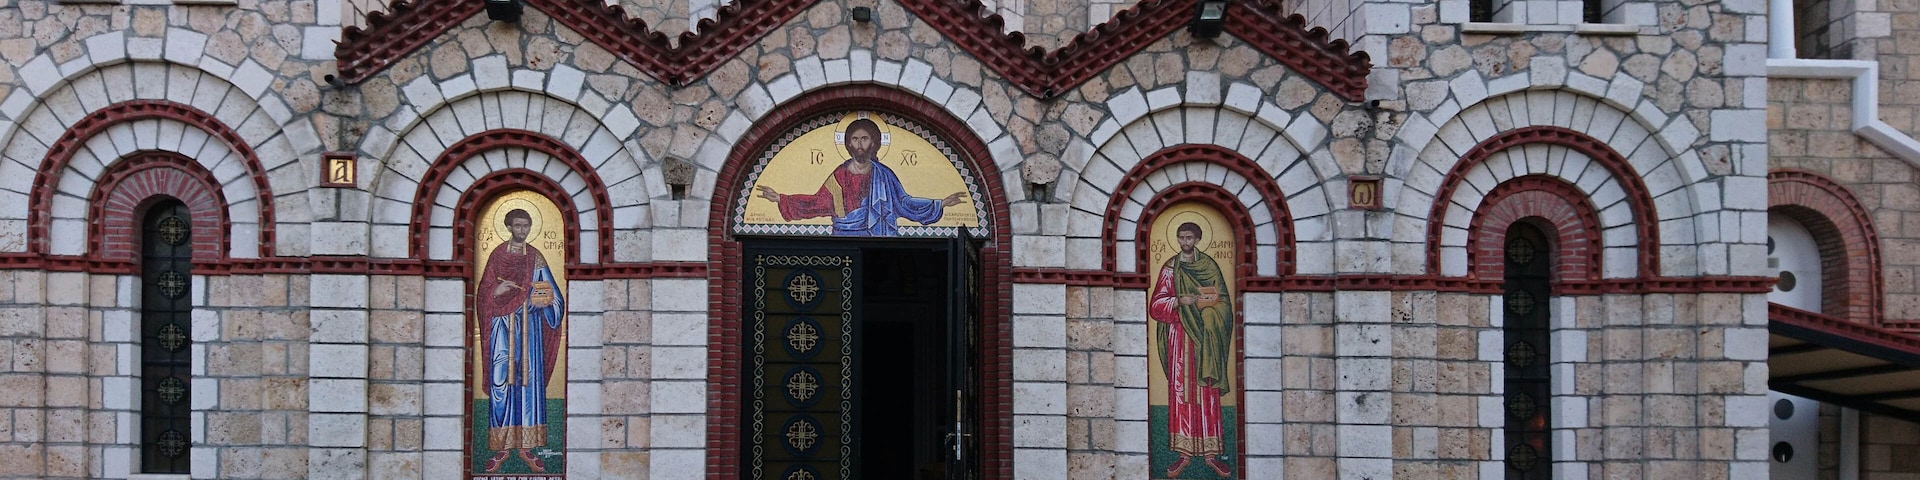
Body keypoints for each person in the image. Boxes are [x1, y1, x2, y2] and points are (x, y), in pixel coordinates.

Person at [755, 118, 965, 235]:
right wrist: (781, 199)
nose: (860, 144)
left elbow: (903, 202)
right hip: (843, 236)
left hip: (876, 235)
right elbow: (818, 203)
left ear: (874, 142)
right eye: (855, 139)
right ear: (848, 144)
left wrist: (940, 203)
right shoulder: (838, 175)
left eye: (865, 139)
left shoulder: (883, 175)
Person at [476, 209, 565, 473]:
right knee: (501, 381)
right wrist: (496, 291)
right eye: (518, 225)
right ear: (508, 226)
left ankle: (527, 447)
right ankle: (501, 447)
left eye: (526, 225)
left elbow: (553, 294)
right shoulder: (497, 256)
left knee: (528, 384)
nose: (522, 230)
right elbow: (482, 295)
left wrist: (544, 302)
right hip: (501, 328)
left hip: (529, 328)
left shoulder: (535, 257)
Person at [1148, 222, 1234, 478]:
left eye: (1189, 237)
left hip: (1206, 340)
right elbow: (1156, 306)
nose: (1184, 242)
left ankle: (1211, 454)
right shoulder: (1170, 268)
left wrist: (1210, 311)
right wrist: (1178, 301)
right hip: (1179, 337)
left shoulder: (1209, 266)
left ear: (1197, 239)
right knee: (1181, 391)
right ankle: (1182, 454)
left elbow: (1225, 304)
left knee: (1206, 390)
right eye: (1180, 237)